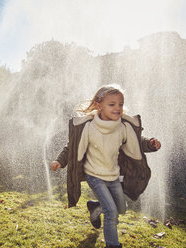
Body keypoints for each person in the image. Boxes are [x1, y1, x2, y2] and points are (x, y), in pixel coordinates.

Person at [50, 85, 161, 248]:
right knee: (111, 212)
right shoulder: (89, 127)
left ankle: (96, 207)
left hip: (113, 176)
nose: (118, 108)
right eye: (112, 104)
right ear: (98, 106)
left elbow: (135, 142)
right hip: (94, 176)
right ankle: (112, 244)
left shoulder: (123, 127)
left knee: (121, 209)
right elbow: (71, 147)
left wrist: (150, 144)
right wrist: (60, 161)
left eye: (120, 104)